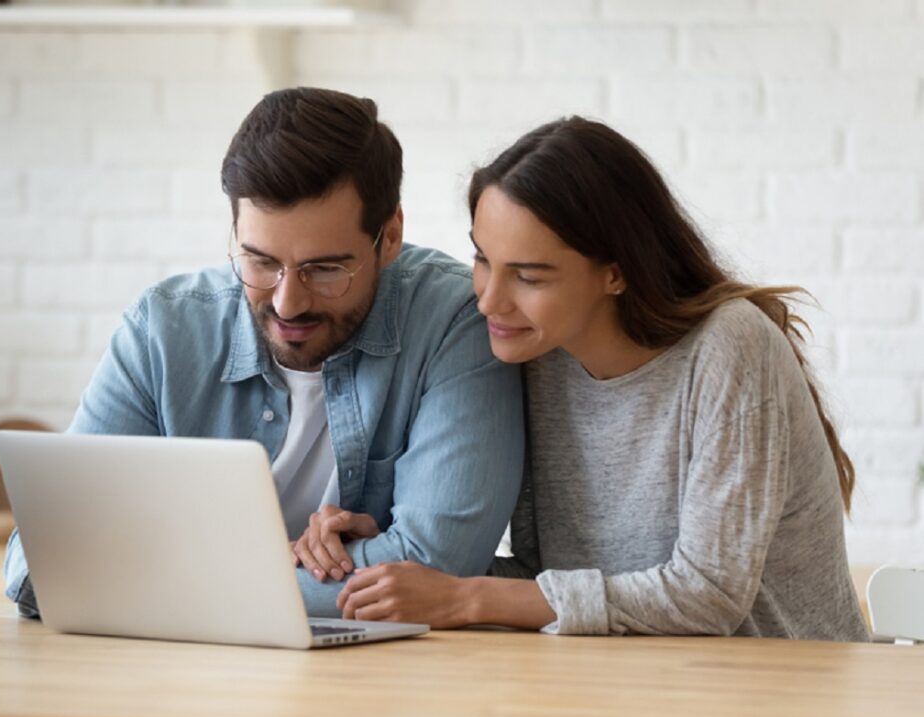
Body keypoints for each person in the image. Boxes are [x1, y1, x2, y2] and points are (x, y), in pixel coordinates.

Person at [315, 116, 869, 641]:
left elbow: (709, 594)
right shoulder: (538, 355)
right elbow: (548, 580)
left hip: (787, 689)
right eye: (483, 260)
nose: (486, 299)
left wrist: (467, 598)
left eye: (528, 276)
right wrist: (399, 563)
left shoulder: (730, 346)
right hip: (638, 686)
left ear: (615, 272)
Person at [3, 88, 525, 619]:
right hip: (176, 674)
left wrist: (161, 578)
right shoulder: (162, 330)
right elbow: (41, 560)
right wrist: (277, 569)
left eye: (324, 269)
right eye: (259, 261)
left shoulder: (454, 321)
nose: (288, 302)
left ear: (389, 237)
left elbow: (437, 566)